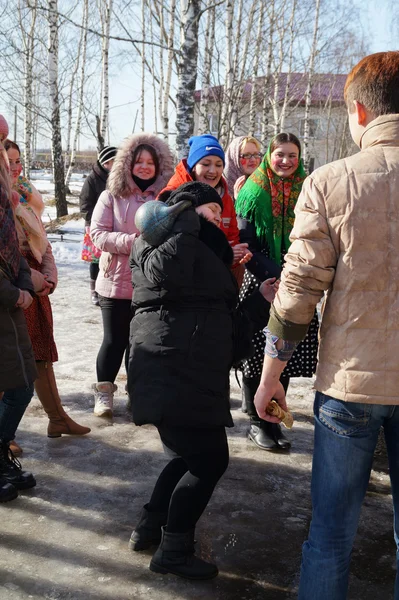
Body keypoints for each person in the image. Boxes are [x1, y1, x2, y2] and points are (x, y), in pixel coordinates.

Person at [254, 51, 399, 599]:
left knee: (331, 536)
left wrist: (271, 377)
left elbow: (295, 297)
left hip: (349, 387)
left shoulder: (331, 181)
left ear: (358, 112)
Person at [127, 181, 277, 580]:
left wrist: (258, 299)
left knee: (185, 457)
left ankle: (149, 527)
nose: (218, 219)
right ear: (184, 211)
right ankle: (173, 550)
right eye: (209, 210)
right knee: (209, 460)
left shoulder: (198, 254)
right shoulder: (172, 245)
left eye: (219, 212)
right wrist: (189, 220)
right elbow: (171, 282)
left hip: (185, 369)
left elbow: (219, 324)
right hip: (176, 368)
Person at [235, 133, 318, 450]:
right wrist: (280, 274)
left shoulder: (307, 190)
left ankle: (274, 416)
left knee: (282, 357)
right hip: (262, 283)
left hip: (295, 283)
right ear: (269, 156)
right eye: (280, 154)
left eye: (292, 156)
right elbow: (247, 246)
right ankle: (258, 424)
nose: (286, 161)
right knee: (259, 357)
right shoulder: (252, 192)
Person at [5, 140, 91, 446]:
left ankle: (57, 418)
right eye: (8, 160)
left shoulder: (26, 197)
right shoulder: (3, 200)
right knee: (9, 361)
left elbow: (43, 243)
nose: (15, 167)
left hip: (35, 284)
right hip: (13, 285)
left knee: (41, 353)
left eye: (18, 161)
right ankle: (5, 433)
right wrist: (35, 279)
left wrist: (50, 273)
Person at [90, 133, 174, 418]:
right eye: (139, 161)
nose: (145, 167)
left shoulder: (166, 198)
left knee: (142, 344)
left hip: (152, 283)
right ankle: (104, 391)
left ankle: (137, 393)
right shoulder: (110, 196)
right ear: (127, 164)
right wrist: (135, 242)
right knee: (114, 341)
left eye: (151, 162)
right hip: (115, 281)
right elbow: (98, 235)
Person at [159, 134, 252, 284]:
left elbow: (231, 238)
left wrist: (237, 255)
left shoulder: (225, 198)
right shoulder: (172, 195)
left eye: (218, 164)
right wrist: (224, 253)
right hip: (179, 283)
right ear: (193, 166)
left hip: (213, 280)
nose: (212, 171)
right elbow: (168, 245)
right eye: (206, 163)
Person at [0, 131, 37, 501]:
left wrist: (24, 284)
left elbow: (15, 249)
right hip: (6, 303)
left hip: (11, 308)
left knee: (22, 385)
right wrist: (15, 293)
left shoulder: (7, 200)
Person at [79, 146, 117, 306]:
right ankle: (94, 291)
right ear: (106, 162)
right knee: (96, 261)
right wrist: (93, 222)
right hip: (96, 227)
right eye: (114, 161)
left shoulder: (118, 176)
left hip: (114, 225)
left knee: (112, 259)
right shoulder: (92, 179)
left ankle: (110, 289)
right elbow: (84, 204)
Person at [224, 135, 262, 200]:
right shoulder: (221, 187)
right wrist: (239, 200)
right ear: (234, 159)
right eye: (247, 155)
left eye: (256, 154)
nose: (253, 159)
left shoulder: (265, 183)